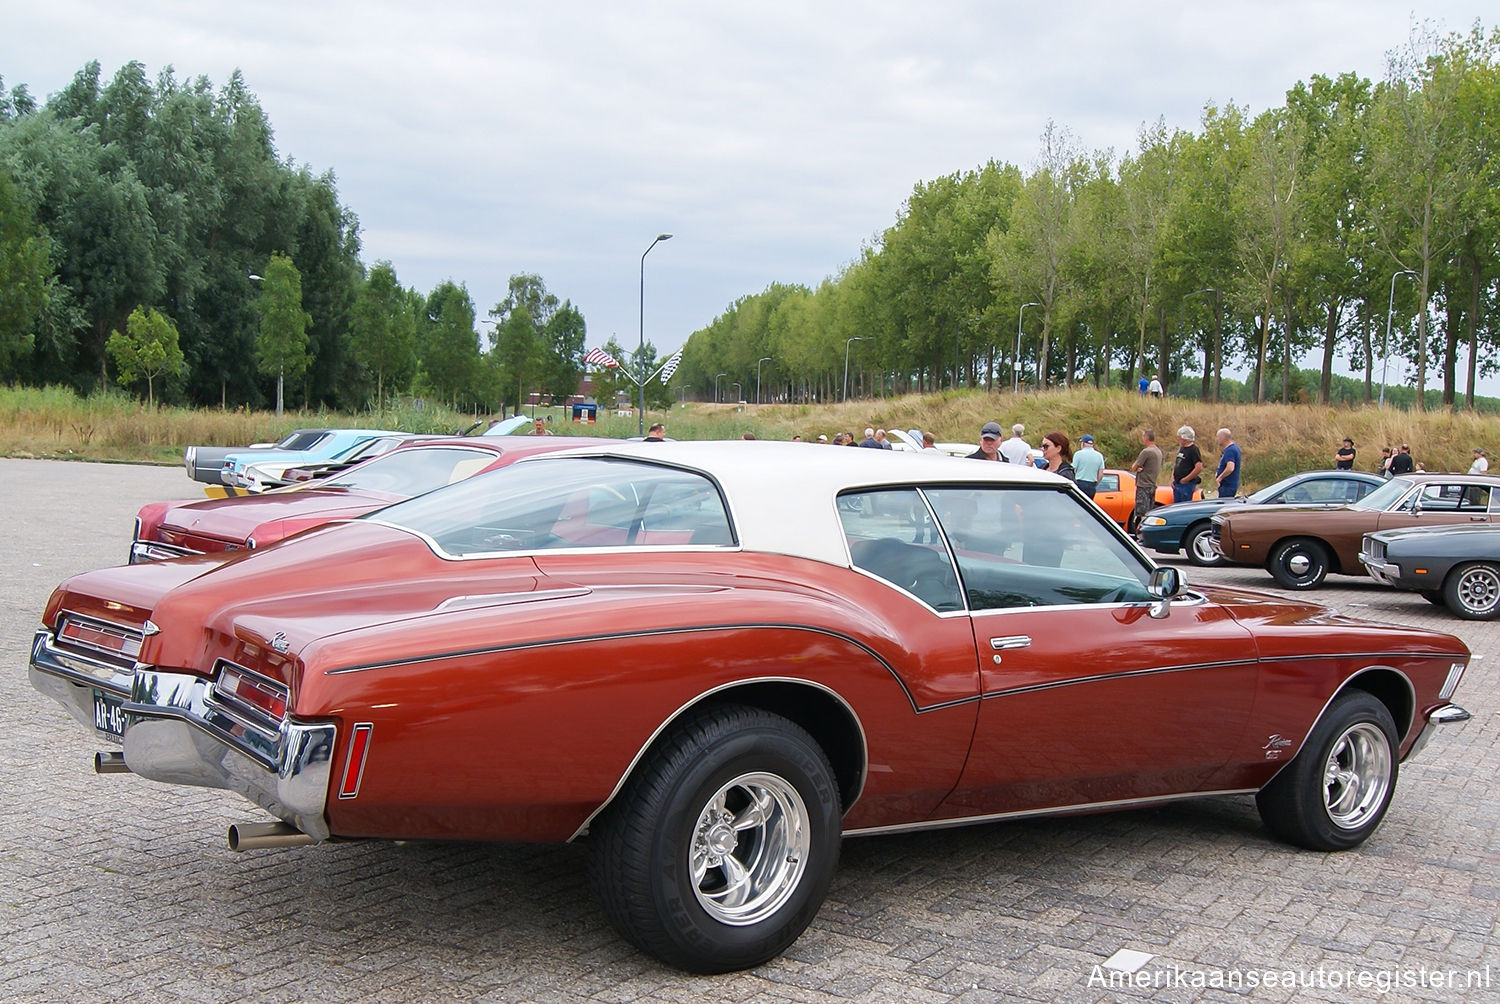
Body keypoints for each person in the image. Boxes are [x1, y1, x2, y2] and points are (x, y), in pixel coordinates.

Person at [1130, 429, 1164, 535]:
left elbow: (1134, 467)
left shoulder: (1146, 452)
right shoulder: (1158, 451)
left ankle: (1141, 533)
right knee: (1149, 511)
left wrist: (1138, 468)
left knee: (1141, 513)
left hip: (1143, 485)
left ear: (1146, 438)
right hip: (1152, 484)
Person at [1171, 425, 1203, 504]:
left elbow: (1199, 467)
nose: (1178, 439)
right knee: (1176, 506)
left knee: (1184, 506)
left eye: (1180, 437)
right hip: (1177, 483)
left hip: (1186, 485)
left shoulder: (1193, 450)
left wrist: (1186, 479)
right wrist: (1173, 478)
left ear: (1185, 438)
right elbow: (1177, 464)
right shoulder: (1182, 448)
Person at [1072, 434, 1105, 498]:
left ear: (1083, 443)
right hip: (1092, 485)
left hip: (1079, 483)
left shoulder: (1078, 454)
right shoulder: (1099, 456)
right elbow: (1101, 473)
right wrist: (1096, 484)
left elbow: (1074, 470)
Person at [1214, 428, 1241, 498]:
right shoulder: (1233, 448)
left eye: (1218, 437)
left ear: (1222, 438)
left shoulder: (1230, 450)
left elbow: (1230, 468)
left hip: (1227, 485)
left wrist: (1220, 478)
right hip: (1228, 485)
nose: (1217, 440)